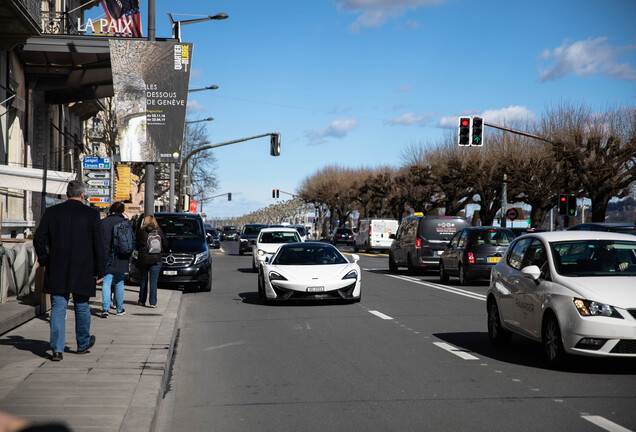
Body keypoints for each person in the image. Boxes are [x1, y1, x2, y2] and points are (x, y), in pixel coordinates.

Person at [33, 180, 104, 361]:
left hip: (58, 266)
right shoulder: (91, 214)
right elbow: (98, 244)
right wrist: (99, 269)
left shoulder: (52, 212)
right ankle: (82, 343)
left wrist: (45, 259)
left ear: (66, 194)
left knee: (58, 306)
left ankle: (57, 349)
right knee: (81, 305)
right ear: (83, 195)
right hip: (84, 267)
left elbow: (39, 238)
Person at [99, 201, 133, 318]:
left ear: (111, 210)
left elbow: (102, 243)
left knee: (107, 282)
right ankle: (119, 309)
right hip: (122, 256)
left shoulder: (104, 223)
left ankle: (105, 309)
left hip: (108, 257)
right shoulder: (126, 223)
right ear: (122, 211)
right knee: (119, 282)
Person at [136, 215, 165, 307]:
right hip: (156, 258)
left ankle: (142, 300)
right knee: (153, 281)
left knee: (143, 280)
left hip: (143, 259)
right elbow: (166, 242)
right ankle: (152, 302)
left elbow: (137, 243)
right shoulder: (158, 231)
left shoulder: (141, 231)